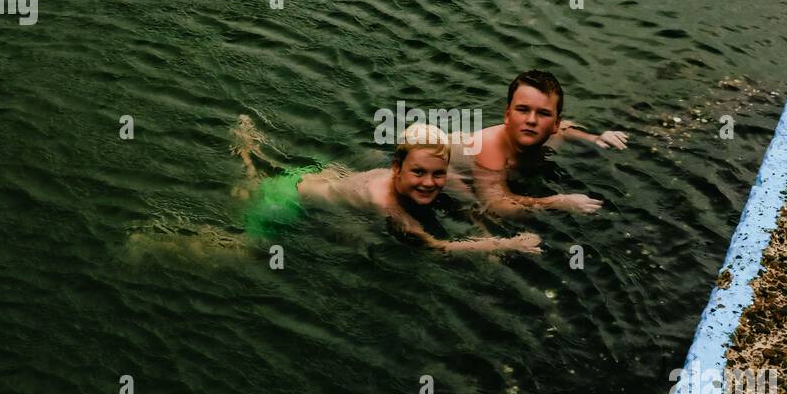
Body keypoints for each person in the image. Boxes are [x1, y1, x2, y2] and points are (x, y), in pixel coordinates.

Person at [234, 118, 543, 255]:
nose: (429, 183)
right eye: (418, 172)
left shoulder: (433, 174)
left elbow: (472, 207)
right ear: (396, 167)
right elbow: (435, 247)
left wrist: (486, 230)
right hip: (287, 202)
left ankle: (248, 151)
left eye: (438, 174)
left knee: (258, 179)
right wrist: (506, 244)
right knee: (248, 253)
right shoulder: (386, 203)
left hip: (317, 175)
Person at [452, 70, 628, 217]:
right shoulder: (489, 145)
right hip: (442, 168)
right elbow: (497, 205)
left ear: (555, 124)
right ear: (507, 115)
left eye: (543, 113)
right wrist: (558, 202)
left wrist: (596, 138)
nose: (531, 120)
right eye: (522, 110)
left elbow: (567, 128)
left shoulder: (555, 132)